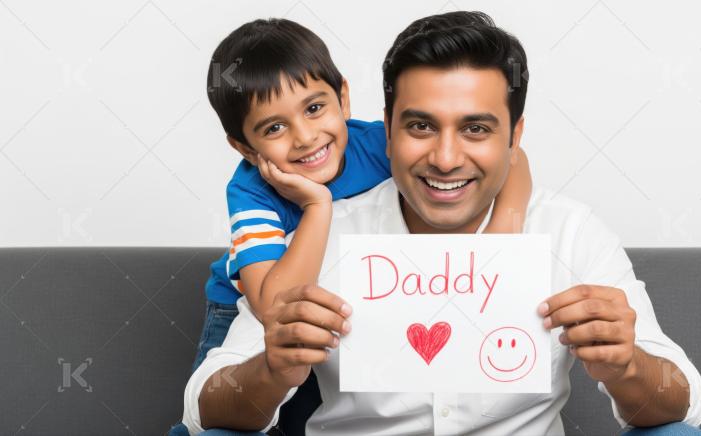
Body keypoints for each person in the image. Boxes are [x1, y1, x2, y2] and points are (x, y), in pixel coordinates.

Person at [182, 11, 701, 435]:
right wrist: (271, 370)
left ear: (514, 135)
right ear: (385, 130)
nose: (445, 158)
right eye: (420, 126)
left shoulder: (570, 232)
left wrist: (627, 366)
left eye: (477, 129)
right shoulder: (320, 236)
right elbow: (203, 406)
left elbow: (681, 399)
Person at [169, 16, 531, 436]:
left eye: (314, 108)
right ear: (245, 147)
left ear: (343, 97)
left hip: (342, 301)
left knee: (328, 399)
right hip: (247, 299)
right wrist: (317, 206)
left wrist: (502, 235)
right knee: (232, 419)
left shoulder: (382, 141)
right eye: (274, 127)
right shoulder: (251, 194)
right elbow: (275, 310)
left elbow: (513, 158)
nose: (305, 137)